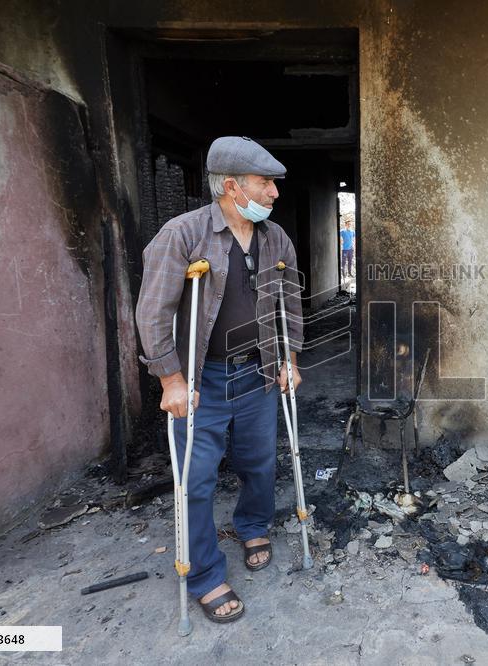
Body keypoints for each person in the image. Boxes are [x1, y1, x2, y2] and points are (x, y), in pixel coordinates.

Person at [135, 136, 303, 624]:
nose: (274, 193)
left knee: (259, 461)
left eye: (274, 183)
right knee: (197, 479)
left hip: (258, 371)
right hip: (201, 379)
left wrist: (289, 358)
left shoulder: (276, 239)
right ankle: (206, 574)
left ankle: (252, 524)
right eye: (265, 183)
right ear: (232, 186)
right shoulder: (182, 235)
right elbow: (153, 312)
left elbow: (289, 305)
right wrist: (169, 379)